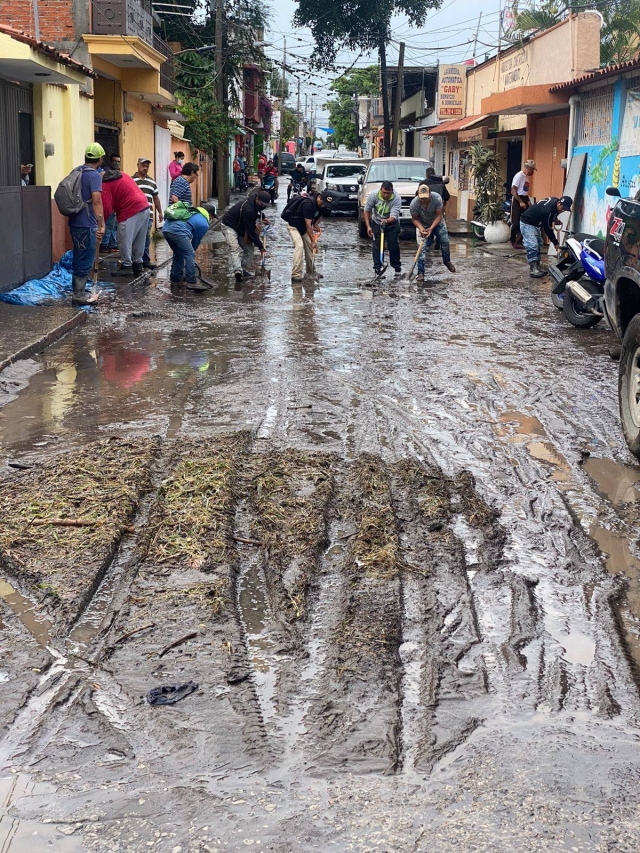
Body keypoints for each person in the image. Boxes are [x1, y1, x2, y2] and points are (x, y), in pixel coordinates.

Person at [67, 142, 105, 306]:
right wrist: (101, 223)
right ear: (100, 159)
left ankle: (78, 291)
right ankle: (79, 295)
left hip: (74, 221)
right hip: (87, 223)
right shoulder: (94, 175)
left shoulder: (76, 171)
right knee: (86, 258)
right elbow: (96, 202)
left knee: (78, 254)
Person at [101, 167, 152, 277]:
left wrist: (100, 225)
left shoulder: (105, 185)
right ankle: (138, 265)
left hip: (130, 210)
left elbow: (107, 208)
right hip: (144, 206)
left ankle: (127, 266)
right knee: (140, 239)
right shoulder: (122, 175)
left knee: (124, 239)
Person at [163, 202, 217, 290]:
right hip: (178, 231)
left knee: (178, 253)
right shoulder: (204, 223)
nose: (212, 219)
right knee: (190, 253)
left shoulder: (192, 212)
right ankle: (191, 281)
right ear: (209, 215)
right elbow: (195, 242)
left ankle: (176, 279)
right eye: (212, 217)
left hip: (166, 230)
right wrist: (190, 257)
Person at [282, 189, 334, 281]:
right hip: (294, 226)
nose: (323, 205)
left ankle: (310, 272)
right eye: (323, 203)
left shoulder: (321, 205)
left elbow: (317, 216)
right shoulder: (308, 204)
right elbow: (308, 224)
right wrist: (313, 240)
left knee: (310, 247)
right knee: (299, 246)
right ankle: (296, 275)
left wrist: (316, 224)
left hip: (304, 228)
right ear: (319, 198)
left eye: (325, 204)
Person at [221, 191, 270, 282]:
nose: (263, 206)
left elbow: (257, 212)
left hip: (240, 227)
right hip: (229, 226)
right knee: (234, 248)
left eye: (265, 205)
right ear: (257, 200)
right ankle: (238, 272)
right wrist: (260, 247)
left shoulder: (255, 204)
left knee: (249, 249)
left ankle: (242, 269)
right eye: (262, 204)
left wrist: (262, 217)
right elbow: (251, 232)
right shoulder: (248, 209)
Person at [410, 185, 456, 281]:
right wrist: (422, 228)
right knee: (421, 249)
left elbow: (439, 215)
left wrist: (431, 228)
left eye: (426, 198)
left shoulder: (437, 198)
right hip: (422, 225)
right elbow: (414, 219)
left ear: (430, 194)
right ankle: (421, 273)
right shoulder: (414, 204)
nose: (424, 200)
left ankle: (447, 261)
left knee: (445, 241)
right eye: (422, 198)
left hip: (438, 223)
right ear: (418, 196)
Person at [520, 195, 573, 278]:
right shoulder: (547, 210)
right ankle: (533, 270)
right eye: (562, 208)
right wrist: (555, 242)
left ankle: (537, 267)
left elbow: (552, 214)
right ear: (559, 203)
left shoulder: (554, 202)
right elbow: (548, 229)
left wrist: (554, 219)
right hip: (527, 223)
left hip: (535, 224)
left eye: (564, 210)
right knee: (533, 245)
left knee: (539, 244)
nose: (562, 211)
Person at [363, 180, 402, 276]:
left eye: (388, 193)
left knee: (393, 245)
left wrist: (386, 221)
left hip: (392, 223)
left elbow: (393, 216)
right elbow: (367, 210)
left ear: (392, 191)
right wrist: (368, 226)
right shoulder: (374, 195)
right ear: (381, 190)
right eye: (384, 193)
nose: (385, 195)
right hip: (377, 222)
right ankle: (377, 267)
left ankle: (396, 267)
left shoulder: (396, 198)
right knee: (377, 245)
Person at [132, 157, 163, 270]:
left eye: (147, 166)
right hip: (134, 215)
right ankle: (135, 260)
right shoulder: (132, 180)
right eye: (143, 166)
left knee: (145, 238)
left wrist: (159, 212)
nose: (145, 168)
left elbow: (156, 198)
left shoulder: (151, 182)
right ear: (138, 165)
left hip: (148, 216)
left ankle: (145, 260)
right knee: (134, 238)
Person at [510, 159, 536, 248]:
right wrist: (520, 202)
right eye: (532, 170)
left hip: (524, 198)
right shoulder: (519, 176)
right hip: (518, 199)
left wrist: (528, 201)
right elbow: (513, 191)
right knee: (516, 222)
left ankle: (519, 241)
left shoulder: (527, 178)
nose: (532, 172)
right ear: (528, 168)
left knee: (524, 221)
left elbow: (525, 191)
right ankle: (513, 240)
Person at [100, 153, 121, 253]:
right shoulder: (107, 173)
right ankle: (104, 245)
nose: (117, 163)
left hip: (114, 203)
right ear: (110, 162)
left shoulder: (116, 172)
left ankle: (112, 244)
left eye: (118, 162)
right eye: (115, 161)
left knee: (113, 226)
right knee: (109, 225)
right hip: (108, 203)